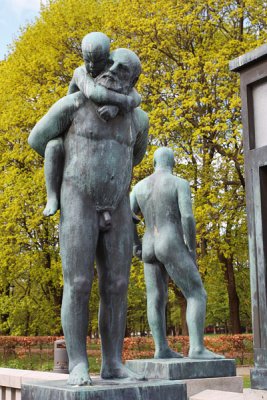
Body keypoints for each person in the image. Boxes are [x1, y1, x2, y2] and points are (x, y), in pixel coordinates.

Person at [28, 48, 149, 385]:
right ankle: (78, 363)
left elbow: (136, 155)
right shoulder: (74, 105)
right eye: (109, 64)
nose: (110, 70)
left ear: (131, 80)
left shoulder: (140, 119)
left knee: (118, 285)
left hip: (119, 204)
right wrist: (69, 164)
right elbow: (37, 139)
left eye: (121, 69)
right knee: (78, 283)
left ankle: (113, 363)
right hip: (78, 198)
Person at [130, 147, 224, 360]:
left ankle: (161, 348)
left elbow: (126, 217)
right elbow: (188, 218)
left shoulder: (139, 187)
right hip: (170, 240)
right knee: (196, 294)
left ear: (154, 163)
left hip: (148, 244)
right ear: (172, 163)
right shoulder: (178, 183)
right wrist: (191, 248)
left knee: (155, 298)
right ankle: (197, 348)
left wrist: (134, 245)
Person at [43, 32, 141, 217]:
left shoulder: (134, 110)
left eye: (98, 62)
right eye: (88, 60)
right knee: (53, 146)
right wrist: (122, 103)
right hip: (70, 130)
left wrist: (116, 107)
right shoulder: (81, 73)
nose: (91, 66)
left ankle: (126, 200)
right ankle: (52, 196)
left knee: (123, 159)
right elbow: (96, 94)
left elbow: (136, 98)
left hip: (112, 188)